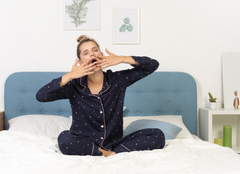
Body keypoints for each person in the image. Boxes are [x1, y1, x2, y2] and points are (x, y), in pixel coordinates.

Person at [36, 35, 165, 156]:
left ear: (102, 55)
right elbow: (41, 96)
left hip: (114, 143)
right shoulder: (73, 86)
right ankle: (104, 154)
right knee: (65, 139)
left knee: (157, 135)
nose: (92, 54)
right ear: (80, 62)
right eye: (85, 53)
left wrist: (122, 59)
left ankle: (110, 152)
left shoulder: (118, 80)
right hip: (83, 142)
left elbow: (152, 65)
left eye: (95, 50)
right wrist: (70, 75)